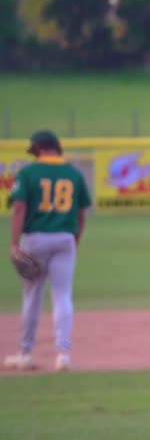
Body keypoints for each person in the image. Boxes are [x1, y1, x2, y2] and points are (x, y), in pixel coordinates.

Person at [4, 129, 92, 373]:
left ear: (40, 149)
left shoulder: (29, 172)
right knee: (63, 296)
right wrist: (75, 240)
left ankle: (25, 354)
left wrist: (14, 244)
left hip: (35, 239)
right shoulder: (74, 173)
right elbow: (82, 214)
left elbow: (19, 208)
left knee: (32, 297)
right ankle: (63, 356)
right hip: (65, 238)